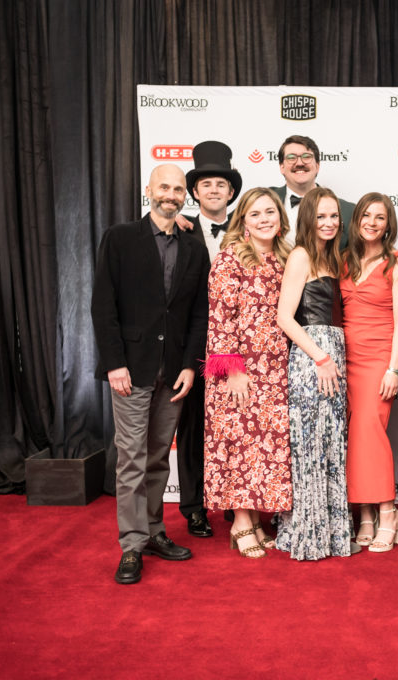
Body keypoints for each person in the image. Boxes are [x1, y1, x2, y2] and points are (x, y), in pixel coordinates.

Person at [91, 164, 209, 584]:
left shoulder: (194, 248)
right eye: (164, 186)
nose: (171, 194)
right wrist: (114, 363)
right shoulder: (120, 238)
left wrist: (190, 366)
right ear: (149, 189)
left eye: (178, 189)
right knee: (131, 460)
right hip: (131, 369)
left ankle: (155, 531)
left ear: (185, 196)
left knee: (159, 457)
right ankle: (131, 545)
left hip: (174, 372)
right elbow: (103, 304)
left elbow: (199, 314)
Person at [202, 187, 293, 559]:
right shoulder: (230, 258)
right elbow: (220, 318)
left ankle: (254, 518)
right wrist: (233, 371)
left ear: (280, 217)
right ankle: (240, 521)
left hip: (275, 368)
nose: (264, 219)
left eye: (270, 212)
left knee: (261, 446)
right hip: (241, 368)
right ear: (243, 222)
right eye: (255, 214)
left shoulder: (284, 257)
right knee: (239, 444)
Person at [275, 187, 352, 560]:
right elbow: (284, 317)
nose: (329, 222)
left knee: (331, 446)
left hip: (334, 355)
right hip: (313, 359)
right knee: (310, 446)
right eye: (321, 216)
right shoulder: (301, 255)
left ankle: (333, 535)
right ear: (308, 217)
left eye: (334, 215)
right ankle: (308, 535)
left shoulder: (332, 257)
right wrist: (320, 357)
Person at [173, 140, 243, 538]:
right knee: (193, 428)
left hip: (235, 347)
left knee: (237, 423)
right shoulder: (178, 230)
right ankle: (195, 507)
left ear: (231, 192)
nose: (214, 190)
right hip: (194, 345)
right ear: (195, 192)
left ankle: (236, 503)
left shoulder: (249, 229)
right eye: (206, 184)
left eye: (221, 184)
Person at [341, 192, 398, 553]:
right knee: (354, 436)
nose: (372, 222)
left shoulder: (397, 263)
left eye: (380, 217)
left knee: (370, 432)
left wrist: (393, 368)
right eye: (366, 215)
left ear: (388, 225)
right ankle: (365, 515)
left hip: (379, 357)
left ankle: (387, 511)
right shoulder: (343, 261)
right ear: (357, 220)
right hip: (344, 360)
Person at [269, 135, 355, 247]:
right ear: (282, 167)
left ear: (317, 166)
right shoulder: (264, 201)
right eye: (291, 157)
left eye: (306, 157)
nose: (299, 163)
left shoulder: (349, 211)